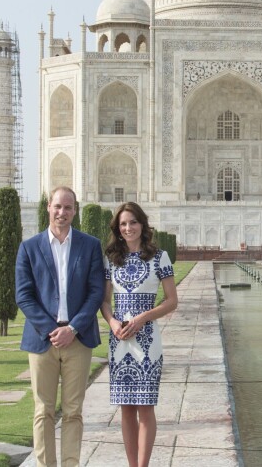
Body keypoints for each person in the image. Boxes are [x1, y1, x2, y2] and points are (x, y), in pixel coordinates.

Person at [15, 186, 105, 467]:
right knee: (43, 410)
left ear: (74, 211)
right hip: (43, 340)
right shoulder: (29, 247)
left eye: (68, 208)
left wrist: (73, 328)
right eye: (57, 207)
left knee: (73, 411)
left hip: (77, 339)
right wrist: (51, 329)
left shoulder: (89, 245)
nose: (62, 213)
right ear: (48, 208)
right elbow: (24, 295)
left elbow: (95, 291)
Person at [101, 202, 178, 467]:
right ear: (117, 229)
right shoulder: (112, 259)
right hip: (120, 340)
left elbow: (171, 301)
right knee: (126, 409)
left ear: (142, 225)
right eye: (123, 224)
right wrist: (112, 322)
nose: (128, 228)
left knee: (145, 408)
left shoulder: (159, 257)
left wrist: (143, 317)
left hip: (146, 341)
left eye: (133, 222)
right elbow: (105, 301)